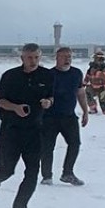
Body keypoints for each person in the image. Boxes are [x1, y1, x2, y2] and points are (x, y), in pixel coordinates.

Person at [0, 43, 54, 208]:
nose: (33, 61)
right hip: (11, 130)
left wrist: (48, 102)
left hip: (35, 130)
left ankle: (21, 207)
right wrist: (15, 108)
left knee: (32, 171)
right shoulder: (10, 76)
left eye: (36, 57)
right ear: (22, 58)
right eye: (29, 57)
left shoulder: (47, 75)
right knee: (6, 170)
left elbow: (50, 96)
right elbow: (0, 100)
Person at [41, 47, 87, 186]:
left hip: (69, 117)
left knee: (75, 144)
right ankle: (47, 176)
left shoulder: (76, 73)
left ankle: (68, 173)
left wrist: (85, 111)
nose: (67, 59)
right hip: (50, 117)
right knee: (47, 147)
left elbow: (80, 93)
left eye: (69, 57)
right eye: (64, 57)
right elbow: (41, 96)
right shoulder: (49, 75)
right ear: (57, 58)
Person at [84, 50, 105, 116]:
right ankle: (93, 108)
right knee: (87, 92)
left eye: (100, 59)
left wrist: (98, 73)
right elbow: (87, 76)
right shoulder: (91, 68)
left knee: (103, 100)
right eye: (96, 59)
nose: (98, 61)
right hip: (93, 87)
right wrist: (84, 84)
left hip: (103, 88)